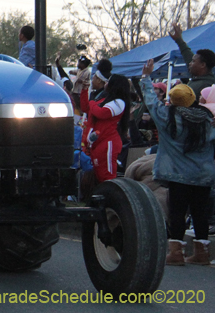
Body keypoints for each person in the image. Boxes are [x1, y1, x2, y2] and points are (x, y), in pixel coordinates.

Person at [140, 58, 215, 265]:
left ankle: (176, 253)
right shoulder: (207, 121)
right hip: (203, 175)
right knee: (200, 214)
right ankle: (202, 253)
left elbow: (151, 101)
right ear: (192, 99)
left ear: (172, 100)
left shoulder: (167, 118)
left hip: (177, 175)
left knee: (177, 213)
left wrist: (146, 77)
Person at [81, 73, 131, 184]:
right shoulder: (104, 100)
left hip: (108, 142)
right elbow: (86, 108)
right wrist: (84, 90)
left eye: (108, 81)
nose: (106, 83)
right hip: (98, 142)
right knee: (98, 175)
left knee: (107, 176)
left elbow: (101, 113)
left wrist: (92, 102)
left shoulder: (119, 102)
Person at [169, 23, 215, 100]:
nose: (190, 63)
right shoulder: (199, 79)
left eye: (193, 61)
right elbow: (188, 56)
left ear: (202, 65)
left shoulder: (206, 85)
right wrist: (179, 40)